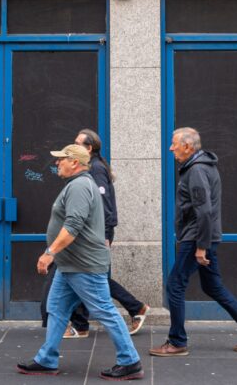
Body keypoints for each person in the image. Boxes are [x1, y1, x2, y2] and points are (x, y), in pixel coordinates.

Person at [17, 144, 143, 381]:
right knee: (56, 308)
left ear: (75, 162)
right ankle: (46, 360)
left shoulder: (79, 187)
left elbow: (73, 225)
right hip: (70, 265)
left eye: (61, 159)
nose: (57, 163)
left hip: (83, 265)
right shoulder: (78, 185)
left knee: (105, 310)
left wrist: (49, 252)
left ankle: (130, 362)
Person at [149, 127, 237, 357]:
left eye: (174, 144)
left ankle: (177, 342)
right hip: (203, 236)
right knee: (212, 286)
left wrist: (201, 247)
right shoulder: (200, 167)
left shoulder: (196, 171)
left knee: (175, 285)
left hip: (196, 238)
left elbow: (204, 211)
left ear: (187, 146)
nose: (171, 148)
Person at [57, 129, 149, 339]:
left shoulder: (96, 169)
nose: (73, 145)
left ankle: (135, 308)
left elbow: (104, 206)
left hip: (98, 235)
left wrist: (105, 236)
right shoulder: (94, 167)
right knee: (86, 276)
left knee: (90, 277)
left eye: (78, 143)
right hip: (95, 234)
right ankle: (82, 324)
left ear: (89, 148)